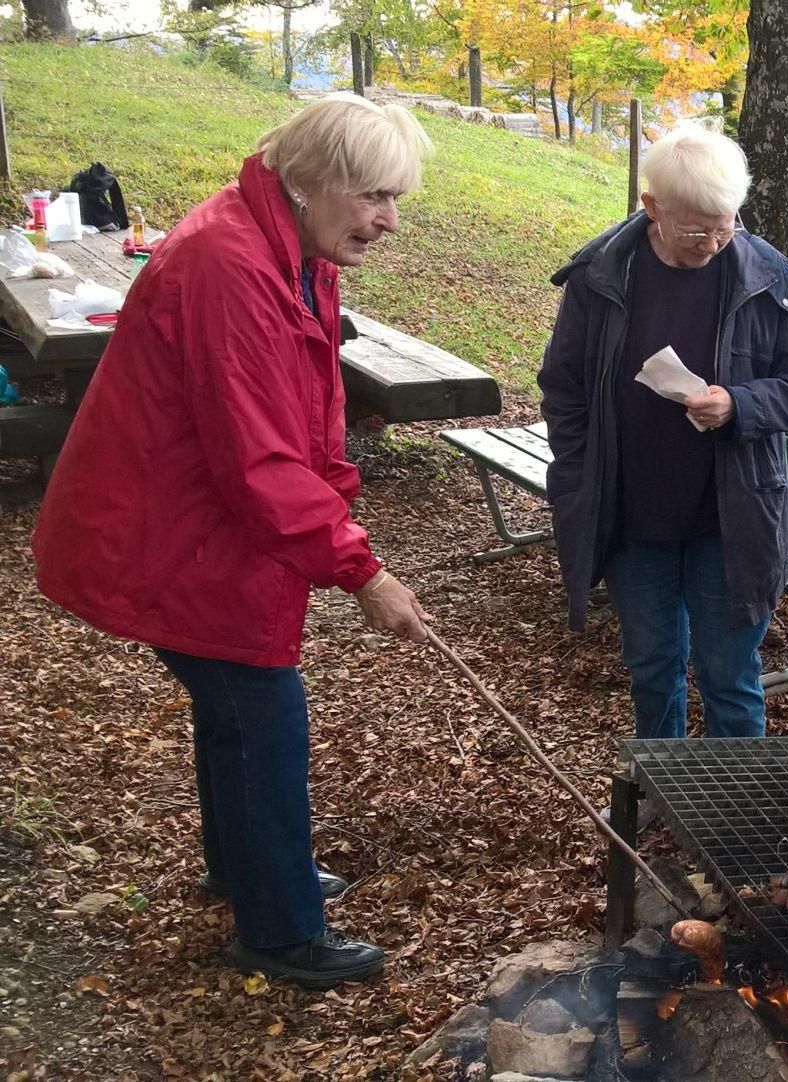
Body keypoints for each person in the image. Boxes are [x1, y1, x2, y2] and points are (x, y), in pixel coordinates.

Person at [33, 94, 434, 990]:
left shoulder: (296, 250)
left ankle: (247, 869)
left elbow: (306, 413)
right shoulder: (228, 261)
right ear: (310, 180)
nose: (389, 220)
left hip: (212, 528)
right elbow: (256, 455)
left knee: (234, 709)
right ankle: (282, 929)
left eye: (394, 197)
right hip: (174, 529)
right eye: (373, 195)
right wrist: (361, 571)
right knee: (260, 716)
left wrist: (338, 513)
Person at [539, 124, 788, 740]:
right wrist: (574, 474)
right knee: (651, 669)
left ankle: (735, 817)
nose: (714, 243)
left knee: (730, 674)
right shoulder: (601, 275)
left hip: (732, 519)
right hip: (632, 514)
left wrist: (740, 404)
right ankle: (661, 795)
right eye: (697, 229)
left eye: (726, 225)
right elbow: (564, 385)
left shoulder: (768, 278)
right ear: (652, 207)